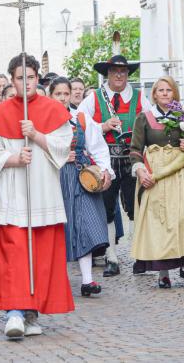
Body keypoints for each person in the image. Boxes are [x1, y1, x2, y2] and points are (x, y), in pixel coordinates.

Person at [0, 54, 74, 339]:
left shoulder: (53, 111)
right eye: (21, 78)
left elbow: (63, 148)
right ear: (12, 81)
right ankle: (14, 312)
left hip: (43, 194)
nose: (27, 83)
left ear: (38, 79)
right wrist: (13, 158)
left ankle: (32, 312)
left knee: (41, 257)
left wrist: (35, 134)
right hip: (13, 195)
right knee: (15, 255)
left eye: (31, 77)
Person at [77, 55, 152, 278]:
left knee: (135, 208)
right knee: (107, 210)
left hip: (132, 159)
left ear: (128, 74)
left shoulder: (140, 98)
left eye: (123, 71)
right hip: (106, 161)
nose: (119, 75)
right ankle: (112, 258)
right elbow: (80, 124)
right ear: (107, 74)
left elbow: (152, 124)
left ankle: (139, 256)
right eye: (114, 71)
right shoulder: (94, 99)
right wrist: (102, 126)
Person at [130, 76, 184, 287]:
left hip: (182, 174)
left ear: (175, 93)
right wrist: (140, 171)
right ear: (154, 94)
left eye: (169, 90)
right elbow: (136, 150)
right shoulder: (144, 118)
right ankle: (162, 272)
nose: (165, 93)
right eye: (160, 90)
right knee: (160, 222)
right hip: (156, 174)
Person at [49, 78, 113, 297]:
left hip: (83, 178)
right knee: (60, 228)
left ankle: (87, 280)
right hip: (55, 180)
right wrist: (60, 157)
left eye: (65, 94)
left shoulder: (81, 119)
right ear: (51, 96)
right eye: (58, 94)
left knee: (86, 225)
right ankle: (59, 280)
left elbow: (98, 147)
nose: (63, 98)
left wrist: (105, 171)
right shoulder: (43, 122)